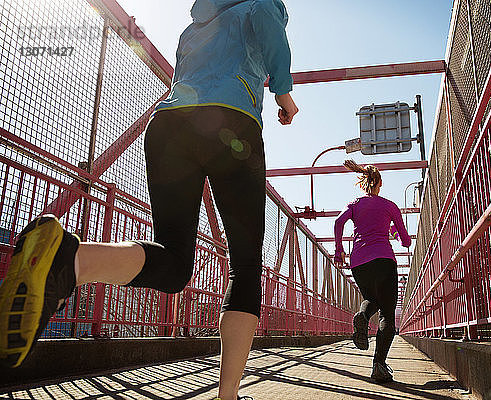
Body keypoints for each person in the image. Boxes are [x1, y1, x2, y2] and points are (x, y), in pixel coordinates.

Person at [0, 1, 298, 399]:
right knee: (245, 268)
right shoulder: (260, 4)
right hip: (231, 126)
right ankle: (228, 396)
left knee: (174, 264)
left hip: (168, 128)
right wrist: (283, 93)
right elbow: (267, 22)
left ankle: (71, 260)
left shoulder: (194, 28)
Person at [333, 160, 411, 383]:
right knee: (387, 312)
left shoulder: (356, 204)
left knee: (371, 299)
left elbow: (339, 223)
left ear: (363, 183)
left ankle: (364, 315)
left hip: (358, 261)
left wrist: (339, 250)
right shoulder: (389, 206)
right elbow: (405, 240)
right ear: (380, 183)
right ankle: (379, 365)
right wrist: (395, 232)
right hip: (384, 259)